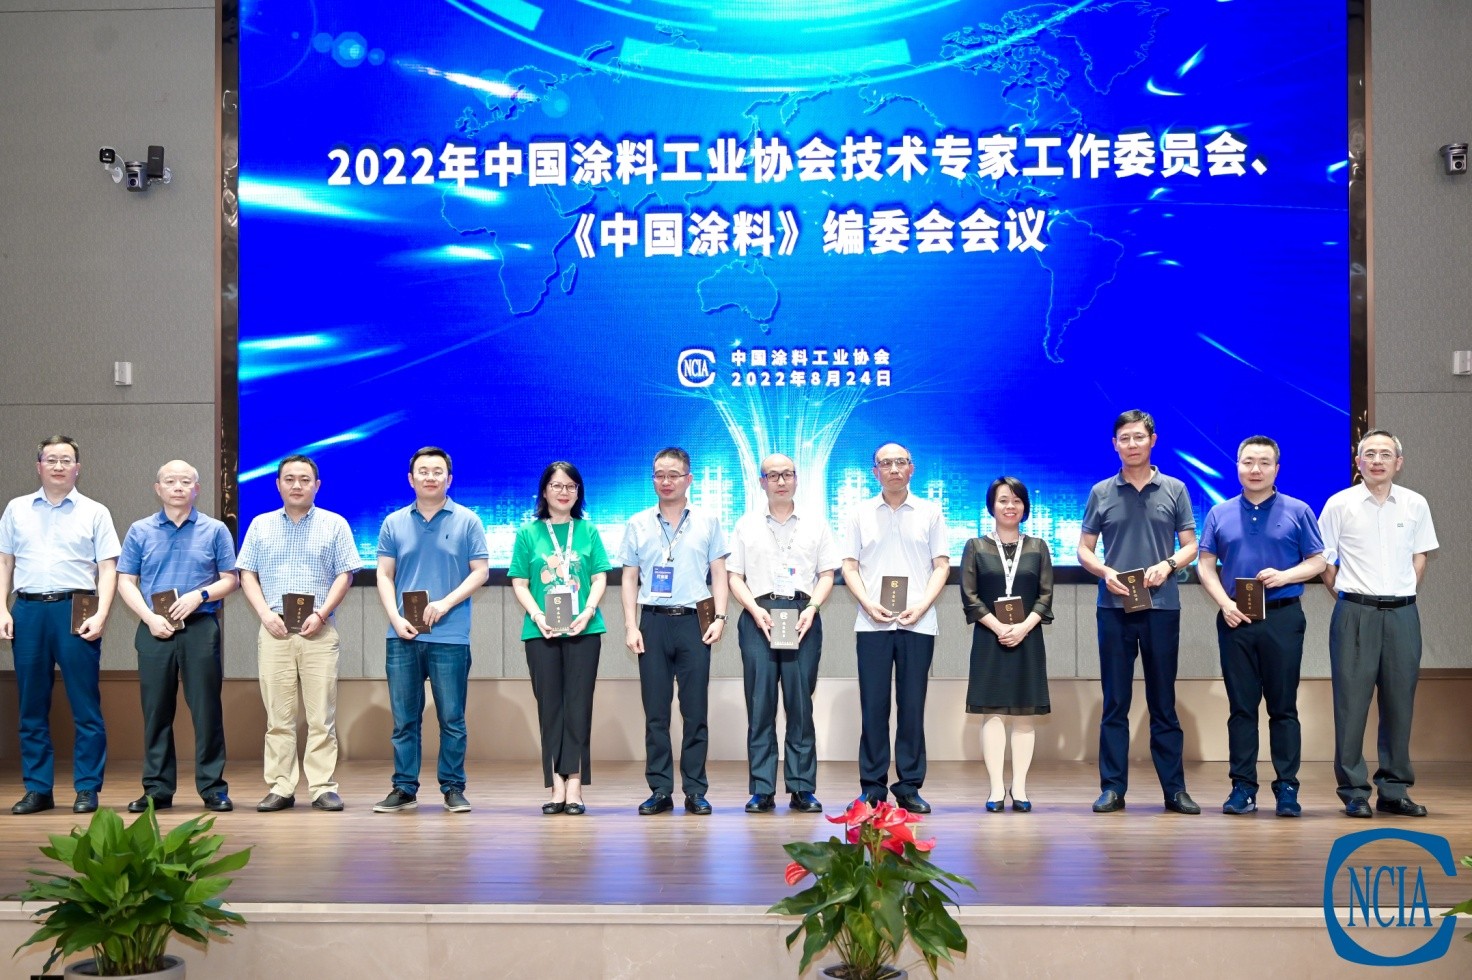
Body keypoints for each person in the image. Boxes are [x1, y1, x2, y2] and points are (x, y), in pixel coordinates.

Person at [1077, 410, 1200, 815]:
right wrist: (1105, 571)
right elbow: (1083, 549)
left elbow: (1190, 545)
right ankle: (1112, 788)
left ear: (1153, 440)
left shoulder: (1175, 489)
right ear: (1115, 445)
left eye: (1138, 437)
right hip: (1113, 607)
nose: (1132, 444)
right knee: (1115, 701)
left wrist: (1169, 564)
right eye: (1124, 438)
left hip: (1162, 606)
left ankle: (1175, 790)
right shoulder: (1101, 492)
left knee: (1163, 701)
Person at [1196, 436, 1325, 817]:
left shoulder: (1299, 510)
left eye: (1264, 462)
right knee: (1241, 708)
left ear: (1276, 469)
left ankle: (1287, 788)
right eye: (1248, 462)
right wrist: (1225, 604)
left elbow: (1318, 561)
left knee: (1283, 707)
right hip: (1235, 618)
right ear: (1237, 466)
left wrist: (1285, 576)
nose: (1255, 469)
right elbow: (1205, 564)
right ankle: (1242, 788)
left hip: (1283, 617)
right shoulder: (1219, 513)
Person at [1318, 429, 1439, 818]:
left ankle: (1394, 790)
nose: (1377, 460)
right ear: (1358, 462)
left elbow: (1420, 555)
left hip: (1403, 614)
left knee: (1399, 704)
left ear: (1398, 463)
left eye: (1386, 454)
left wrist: (1402, 591)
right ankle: (1354, 791)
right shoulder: (1339, 504)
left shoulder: (1415, 504)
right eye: (1369, 454)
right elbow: (1325, 562)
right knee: (1351, 705)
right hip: (1355, 613)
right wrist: (1350, 597)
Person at [0, 436, 121, 815]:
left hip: (78, 608)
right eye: (51, 459)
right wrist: (2, 609)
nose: (58, 466)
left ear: (77, 468)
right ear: (38, 466)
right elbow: (5, 563)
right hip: (28, 609)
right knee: (31, 706)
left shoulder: (95, 511)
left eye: (65, 460)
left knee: (86, 705)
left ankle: (87, 788)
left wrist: (102, 614)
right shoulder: (17, 509)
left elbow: (108, 569)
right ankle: (38, 789)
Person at [237, 454, 362, 813]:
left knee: (321, 716)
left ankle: (322, 787)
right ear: (278, 484)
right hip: (274, 628)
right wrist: (264, 614)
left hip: (318, 629)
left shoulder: (334, 524)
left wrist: (321, 614)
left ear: (316, 485)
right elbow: (246, 573)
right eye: (289, 479)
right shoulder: (260, 525)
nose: (296, 485)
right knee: (278, 716)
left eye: (304, 479)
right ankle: (281, 786)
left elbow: (345, 574)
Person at [116, 460, 240, 813]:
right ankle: (157, 789)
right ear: (158, 488)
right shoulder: (140, 530)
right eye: (170, 481)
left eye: (186, 481)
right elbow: (126, 581)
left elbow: (231, 579)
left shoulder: (215, 530)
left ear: (196, 489)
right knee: (156, 711)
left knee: (206, 710)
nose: (178, 487)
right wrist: (149, 618)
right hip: (154, 629)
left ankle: (213, 788)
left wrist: (200, 595)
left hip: (200, 627)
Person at [373, 446, 489, 814]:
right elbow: (384, 574)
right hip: (403, 635)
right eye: (423, 471)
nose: (430, 477)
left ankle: (453, 787)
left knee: (451, 718)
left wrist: (445, 603)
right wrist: (394, 617)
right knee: (404, 719)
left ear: (449, 479)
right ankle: (404, 787)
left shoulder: (468, 520)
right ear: (411, 479)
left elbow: (481, 572)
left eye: (437, 471)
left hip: (450, 635)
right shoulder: (393, 522)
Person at [619, 447, 729, 816]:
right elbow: (630, 578)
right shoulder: (637, 523)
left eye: (673, 475)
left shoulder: (708, 521)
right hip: (652, 622)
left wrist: (720, 617)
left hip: (695, 621)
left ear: (688, 479)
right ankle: (660, 789)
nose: (666, 482)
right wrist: (631, 625)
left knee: (695, 711)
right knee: (656, 713)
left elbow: (719, 574)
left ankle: (695, 790)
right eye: (659, 475)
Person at [728, 453, 838, 815]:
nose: (780, 481)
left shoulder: (816, 524)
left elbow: (827, 574)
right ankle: (762, 789)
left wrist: (812, 608)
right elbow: (734, 576)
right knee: (760, 705)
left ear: (796, 479)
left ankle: (802, 788)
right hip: (758, 614)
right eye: (772, 475)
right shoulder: (745, 525)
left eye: (787, 474)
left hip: (802, 615)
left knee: (800, 705)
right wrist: (754, 609)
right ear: (761, 481)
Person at [841, 442, 949, 814]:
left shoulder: (930, 512)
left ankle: (909, 786)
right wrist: (867, 603)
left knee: (912, 706)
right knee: (873, 706)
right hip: (872, 623)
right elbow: (849, 566)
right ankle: (872, 787)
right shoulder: (859, 513)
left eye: (900, 462)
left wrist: (923, 605)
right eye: (885, 463)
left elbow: (942, 565)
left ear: (911, 468)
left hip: (918, 622)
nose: (894, 469)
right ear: (875, 472)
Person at [509, 461, 610, 816]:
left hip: (585, 629)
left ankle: (575, 785)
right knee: (550, 707)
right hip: (542, 631)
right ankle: (556, 784)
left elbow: (599, 577)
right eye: (557, 485)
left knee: (578, 707)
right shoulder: (528, 533)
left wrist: (588, 611)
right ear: (544, 491)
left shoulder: (589, 530)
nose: (564, 492)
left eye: (571, 486)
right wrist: (538, 616)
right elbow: (520, 582)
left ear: (578, 492)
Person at [960, 477, 1053, 813]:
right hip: (990, 638)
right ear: (991, 506)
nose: (1010, 506)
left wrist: (1023, 627)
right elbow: (969, 596)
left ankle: (1021, 788)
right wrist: (1000, 627)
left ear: (1025, 507)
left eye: (1016, 500)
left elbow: (1045, 595)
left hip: (1028, 638)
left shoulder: (1038, 547)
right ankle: (996, 789)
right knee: (993, 713)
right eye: (1003, 500)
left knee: (1025, 714)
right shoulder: (975, 546)